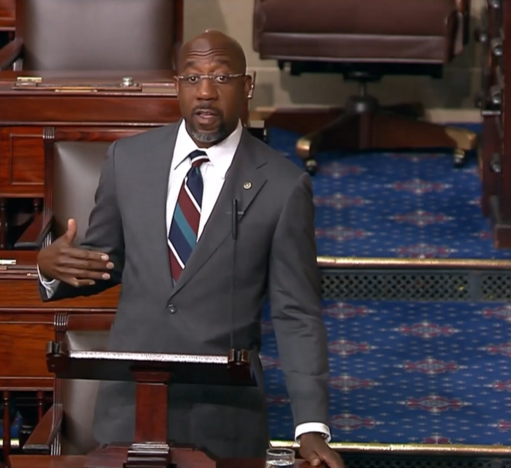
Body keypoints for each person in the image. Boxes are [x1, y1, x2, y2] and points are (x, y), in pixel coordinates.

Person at [37, 29, 343, 467]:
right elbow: (101, 262)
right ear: (175, 84)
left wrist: (311, 428)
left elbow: (296, 314)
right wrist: (51, 268)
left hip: (224, 415)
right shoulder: (128, 160)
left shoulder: (282, 185)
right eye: (192, 78)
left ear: (248, 86)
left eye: (221, 78)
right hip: (130, 408)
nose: (205, 92)